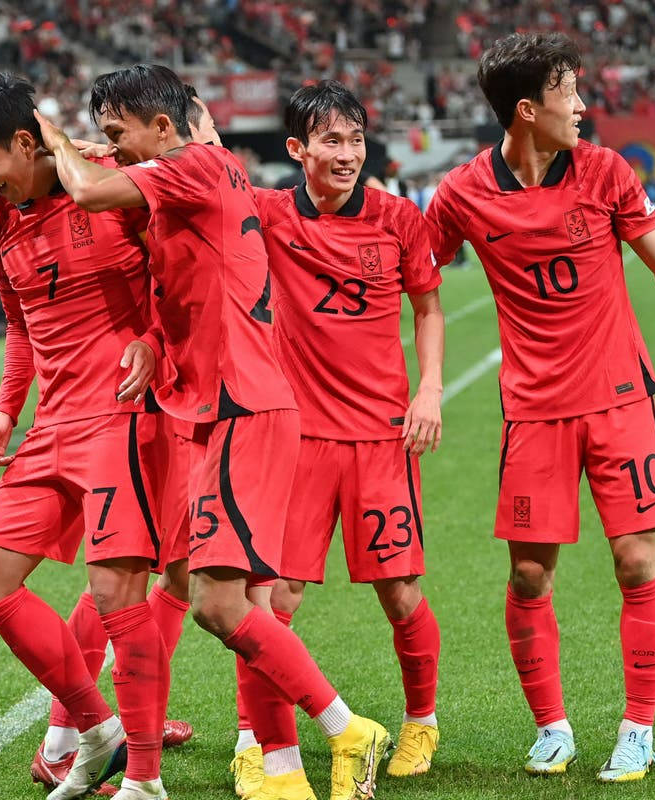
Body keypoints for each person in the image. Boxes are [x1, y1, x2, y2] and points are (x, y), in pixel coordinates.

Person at [423, 32, 655, 782]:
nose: (584, 107)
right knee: (529, 576)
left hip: (620, 396)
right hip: (533, 411)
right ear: (528, 110)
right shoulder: (461, 192)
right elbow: (414, 269)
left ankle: (638, 729)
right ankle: (551, 729)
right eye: (569, 94)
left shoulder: (607, 172)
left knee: (635, 560)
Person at [35, 63, 392, 800]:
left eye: (119, 134)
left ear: (164, 127)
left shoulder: (196, 165)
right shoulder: (190, 194)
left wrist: (49, 135)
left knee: (216, 605)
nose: (114, 149)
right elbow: (180, 293)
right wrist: (151, 343)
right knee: (241, 606)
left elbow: (89, 188)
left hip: (240, 408)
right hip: (217, 410)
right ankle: (285, 775)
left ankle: (350, 729)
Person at [0, 69, 170, 800]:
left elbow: (184, 275)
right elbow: (19, 325)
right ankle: (94, 724)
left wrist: (157, 341)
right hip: (53, 424)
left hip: (126, 417)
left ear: (24, 140)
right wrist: (8, 408)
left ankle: (144, 778)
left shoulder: (110, 182)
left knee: (119, 596)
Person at [232, 80, 445, 796]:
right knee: (271, 600)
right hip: (296, 441)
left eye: (355, 139)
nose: (347, 152)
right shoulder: (265, 215)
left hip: (382, 437)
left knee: (400, 592)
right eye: (331, 140)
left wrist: (430, 390)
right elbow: (189, 168)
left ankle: (421, 719)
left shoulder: (398, 220)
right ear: (297, 149)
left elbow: (429, 308)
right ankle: (256, 741)